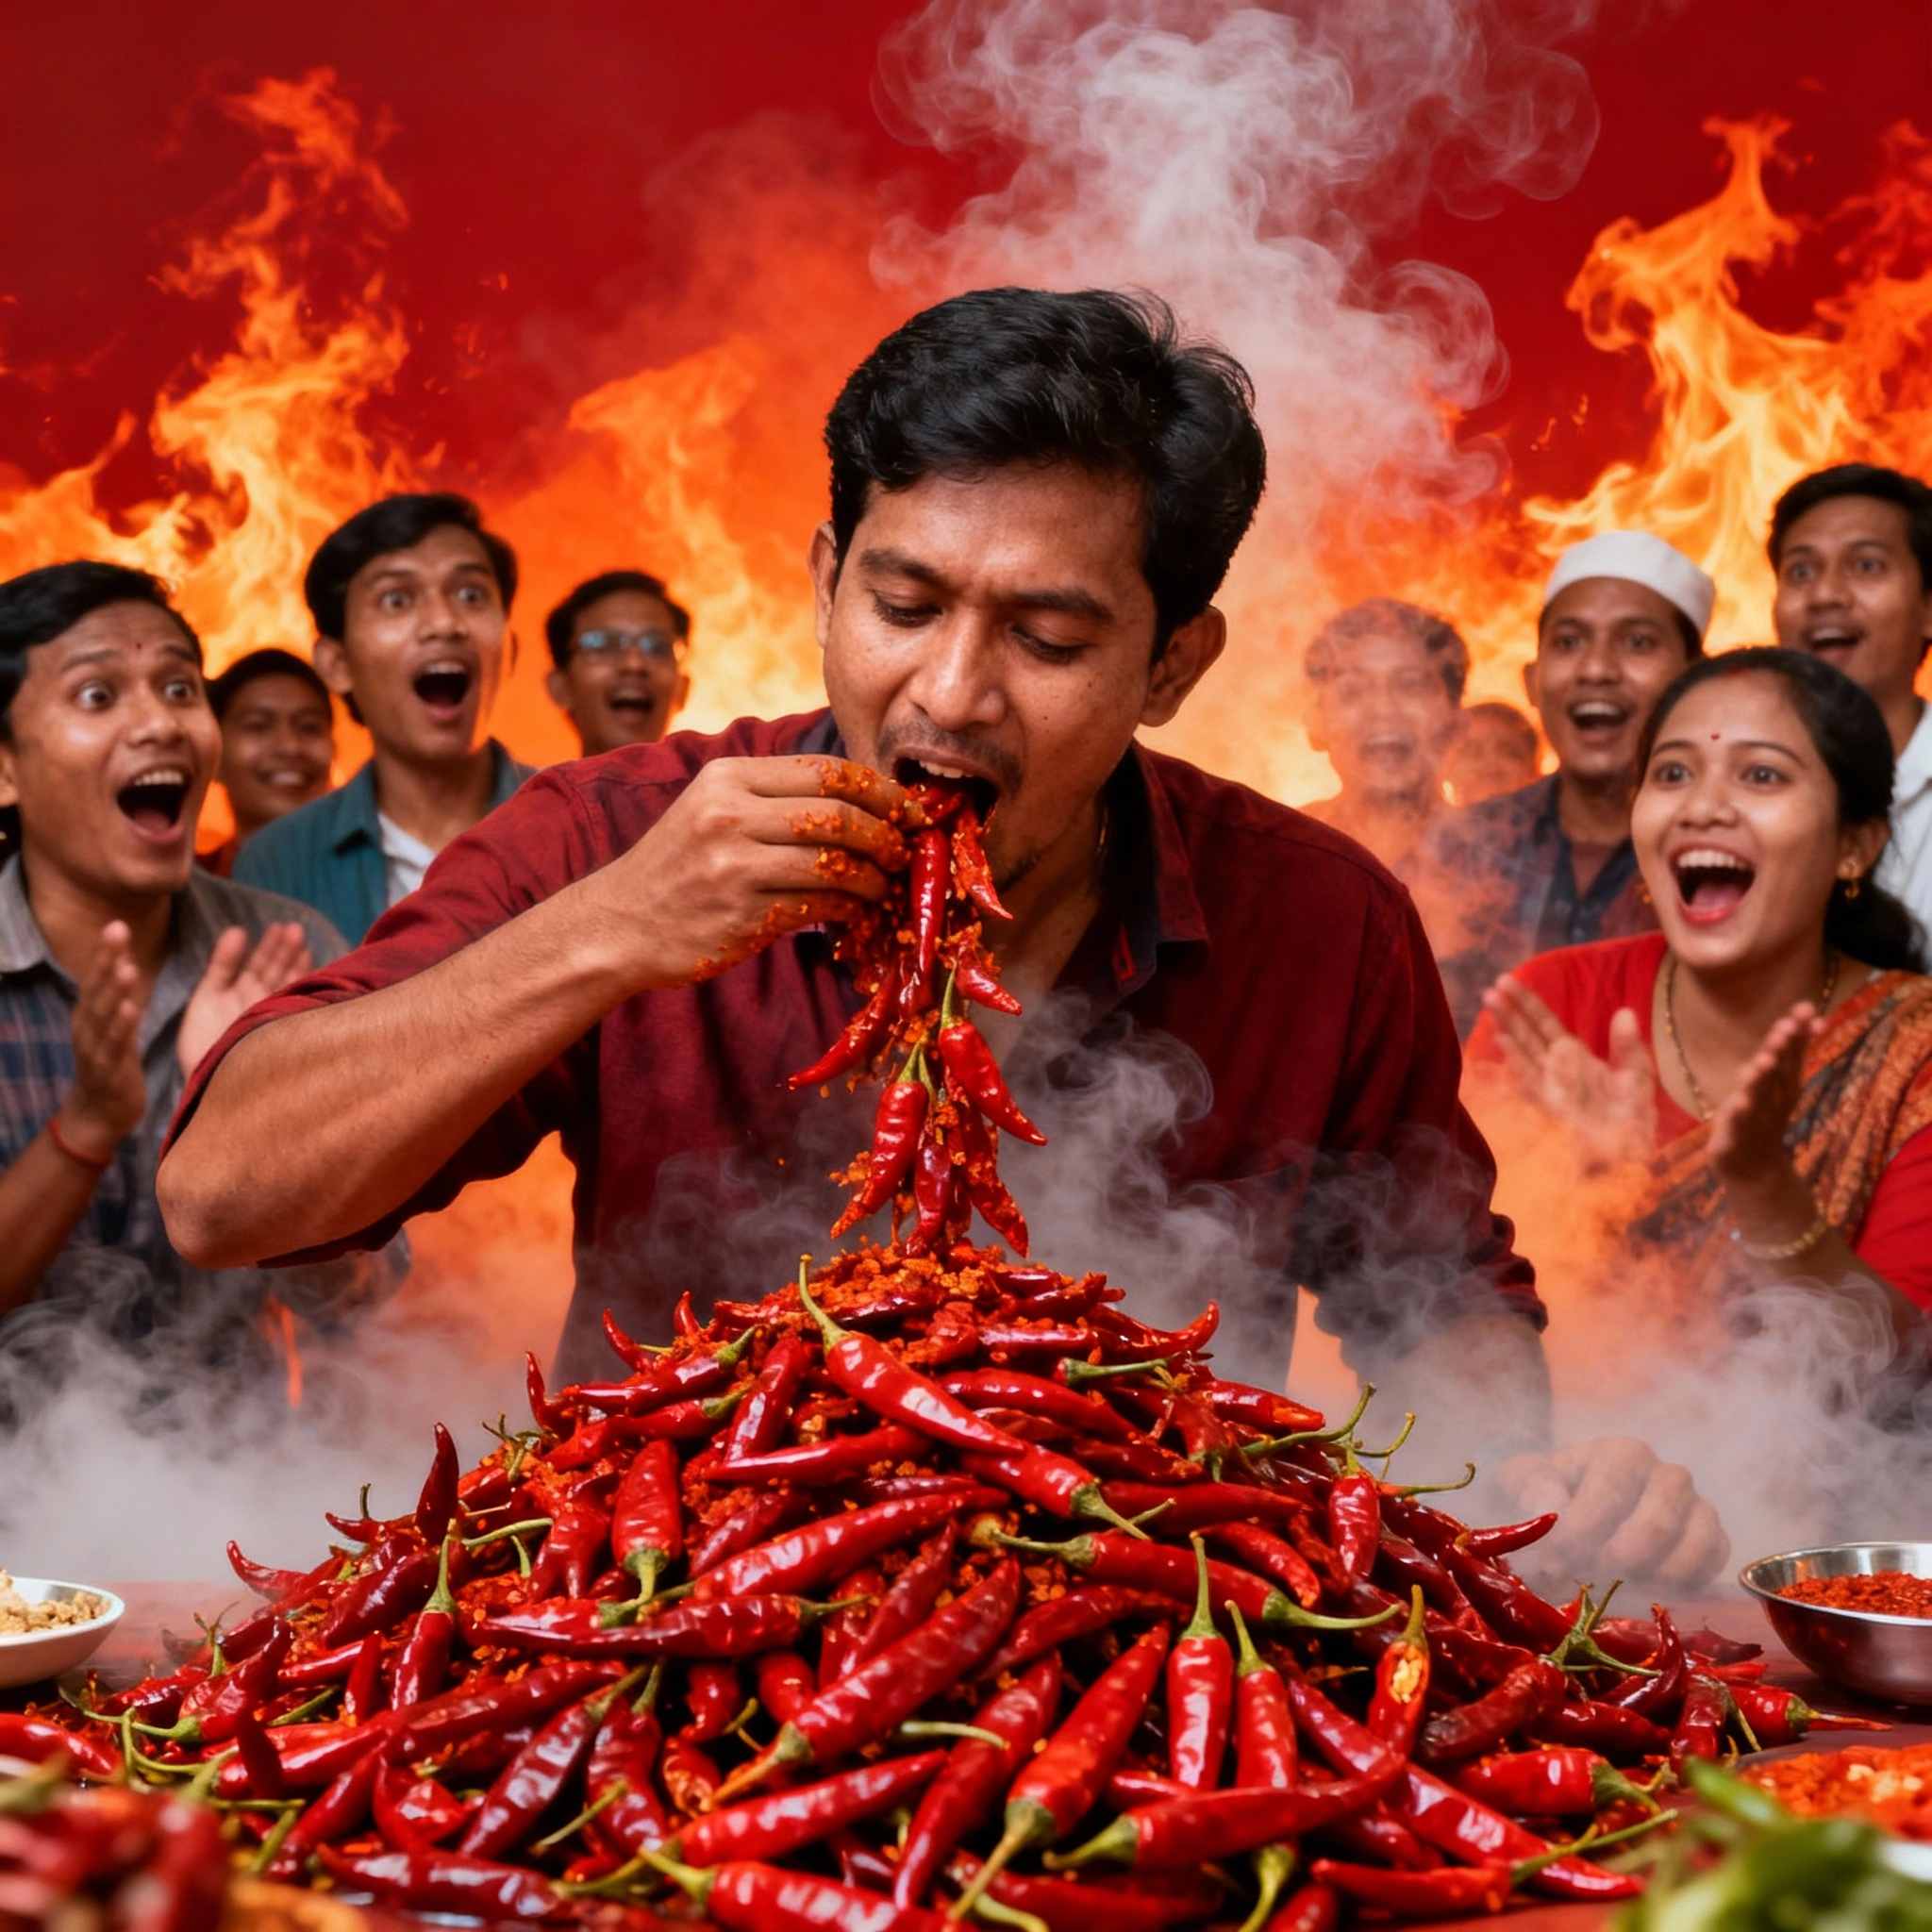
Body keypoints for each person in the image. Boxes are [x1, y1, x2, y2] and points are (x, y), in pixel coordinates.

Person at [158, 287, 1723, 1582]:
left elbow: (1433, 1291)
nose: (952, 693)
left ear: (1173, 663)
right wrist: (610, 931)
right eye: (901, 603)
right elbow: (226, 1194)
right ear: (827, 579)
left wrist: (1525, 1484)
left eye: (1046, 636)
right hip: (656, 1634)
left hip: (1132, 1632)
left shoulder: (1312, 917)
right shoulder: (618, 833)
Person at [0, 561, 393, 1377]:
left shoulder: (293, 948)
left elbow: (356, 1295)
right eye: (99, 696)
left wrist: (251, 1129)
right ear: (5, 768)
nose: (163, 725)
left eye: (181, 689)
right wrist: (91, 1123)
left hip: (231, 1489)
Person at [1473, 648, 1931, 1328]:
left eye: (1763, 774)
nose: (1703, 806)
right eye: (1675, 772)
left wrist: (1767, 1190)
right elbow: (1443, 1305)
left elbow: (1908, 1384)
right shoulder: (1553, 1004)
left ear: (1854, 846)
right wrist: (1589, 1202)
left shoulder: (1913, 1055)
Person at [1422, 530, 1711, 1038]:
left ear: (1695, 679)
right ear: (1532, 682)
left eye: (1637, 641)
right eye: (1570, 642)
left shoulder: (1722, 850)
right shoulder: (1464, 846)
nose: (1597, 669)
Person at [233, 494, 535, 943]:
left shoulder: (586, 828)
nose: (444, 623)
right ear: (337, 664)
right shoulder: (277, 862)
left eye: (470, 594)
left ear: (508, 648)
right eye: (397, 599)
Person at [1771, 462, 1932, 946]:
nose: (1824, 594)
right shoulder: (1737, 787)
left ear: (1928, 608)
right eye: (1800, 571)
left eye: (1866, 565)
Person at [1300, 598, 1466, 874]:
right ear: (1316, 725)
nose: (1383, 710)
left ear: (1457, 725)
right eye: (1352, 690)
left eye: (1410, 685)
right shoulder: (1279, 848)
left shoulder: (1506, 861)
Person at [200, 647, 336, 876]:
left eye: (309, 727)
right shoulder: (181, 891)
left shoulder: (379, 878)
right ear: (214, 756)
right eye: (258, 726)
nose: (290, 747)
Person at [545, 571, 692, 757]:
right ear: (560, 686)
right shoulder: (532, 786)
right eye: (604, 644)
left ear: (683, 688)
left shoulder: (719, 783)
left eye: (657, 647)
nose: (634, 664)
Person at [1443, 700, 1541, 808]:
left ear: (1534, 770)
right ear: (1448, 770)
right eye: (1473, 753)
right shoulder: (1431, 824)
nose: (1491, 762)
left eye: (1508, 752)